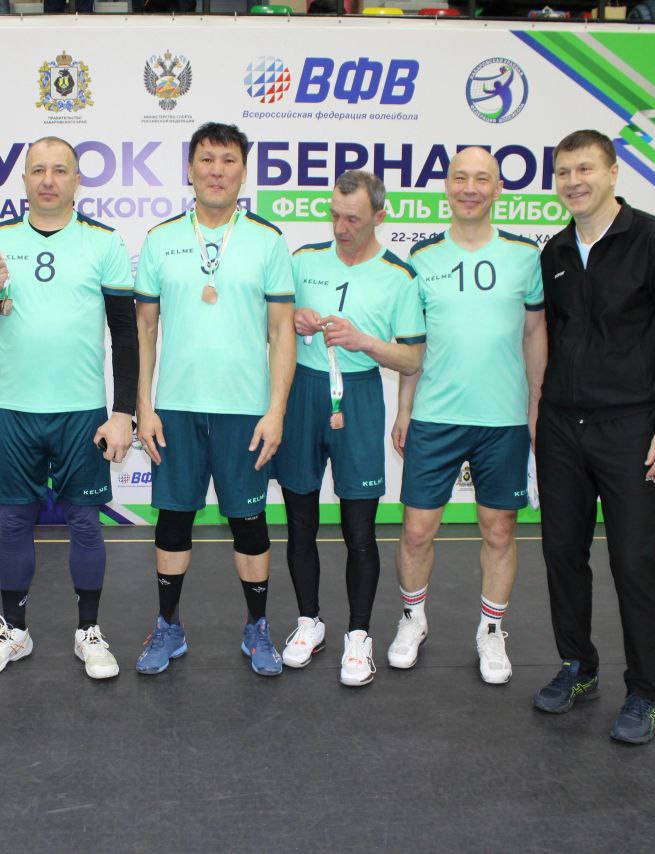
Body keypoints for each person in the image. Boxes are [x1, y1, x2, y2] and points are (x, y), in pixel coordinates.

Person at [532, 129, 655, 745]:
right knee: (562, 554)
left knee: (633, 561)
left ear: (612, 173)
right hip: (562, 426)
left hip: (632, 428)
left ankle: (644, 692)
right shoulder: (555, 251)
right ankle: (578, 667)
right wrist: (541, 417)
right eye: (563, 172)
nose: (573, 182)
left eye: (585, 169)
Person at [0, 137, 136, 680]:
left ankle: (89, 632)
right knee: (14, 520)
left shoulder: (103, 242)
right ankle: (14, 632)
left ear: (77, 180)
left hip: (82, 412)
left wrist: (123, 412)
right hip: (16, 410)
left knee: (84, 521)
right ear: (24, 179)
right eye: (38, 169)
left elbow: (125, 335)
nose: (49, 180)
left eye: (60, 170)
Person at [134, 122, 296, 678]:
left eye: (229, 160)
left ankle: (257, 627)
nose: (217, 171)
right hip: (176, 407)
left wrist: (276, 410)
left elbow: (282, 332)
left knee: (248, 521)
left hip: (245, 408)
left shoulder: (268, 241)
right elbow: (145, 330)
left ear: (243, 171)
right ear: (190, 169)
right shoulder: (160, 239)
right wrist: (144, 406)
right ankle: (168, 626)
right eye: (206, 159)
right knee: (173, 519)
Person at [388, 147, 547, 685]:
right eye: (460, 178)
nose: (470, 188)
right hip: (435, 416)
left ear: (498, 188)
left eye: (482, 179)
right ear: (447, 186)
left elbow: (535, 333)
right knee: (416, 531)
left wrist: (535, 404)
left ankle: (492, 630)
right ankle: (412, 619)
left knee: (499, 531)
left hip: (503, 420)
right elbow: (414, 344)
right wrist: (404, 410)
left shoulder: (525, 256)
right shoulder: (422, 257)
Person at [276, 170, 424, 686]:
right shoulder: (302, 261)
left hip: (358, 398)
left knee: (359, 530)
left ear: (379, 216)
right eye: (335, 216)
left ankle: (359, 635)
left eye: (353, 219)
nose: (341, 228)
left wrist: (365, 341)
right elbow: (270, 323)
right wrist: (293, 320)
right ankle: (309, 622)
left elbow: (412, 359)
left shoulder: (400, 276)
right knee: (300, 523)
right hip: (302, 392)